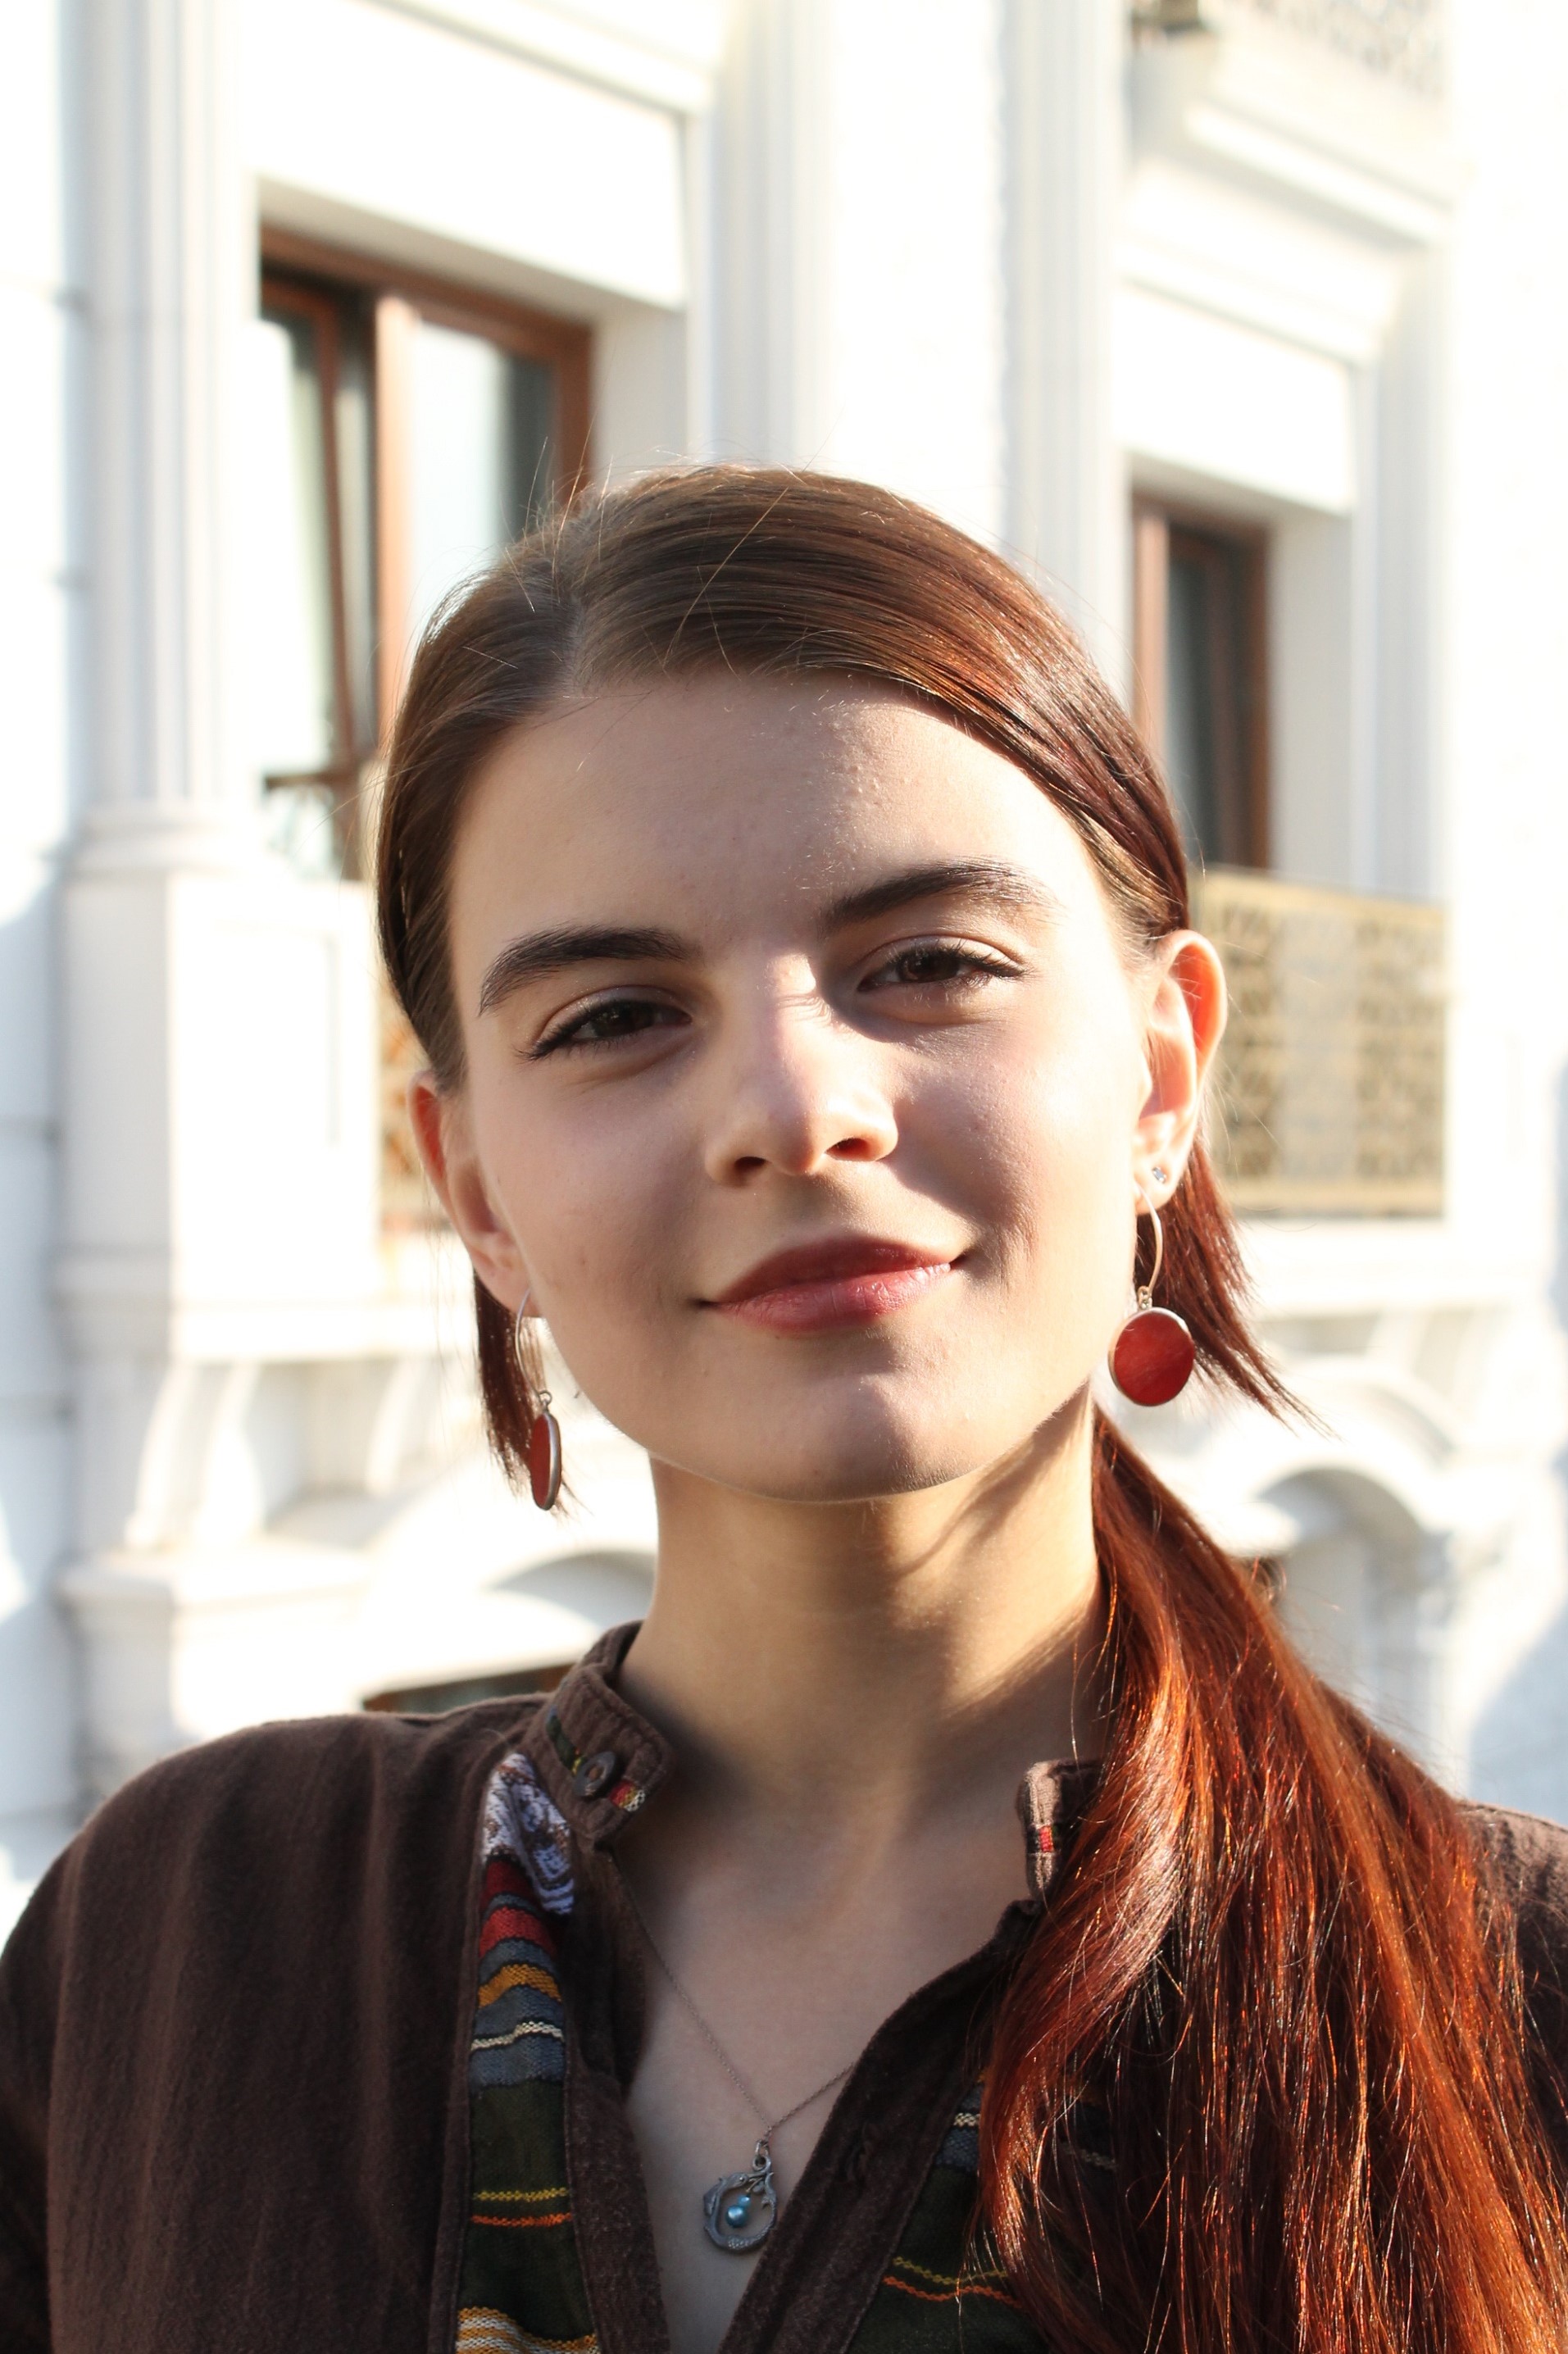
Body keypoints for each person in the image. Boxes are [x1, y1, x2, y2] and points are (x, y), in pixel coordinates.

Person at [2, 467, 1567, 2354]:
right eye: (611, 1016)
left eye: (930, 964)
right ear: (474, 1184)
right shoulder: (185, 1935)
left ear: (1162, 1074)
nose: (792, 1105)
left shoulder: (1519, 2003)